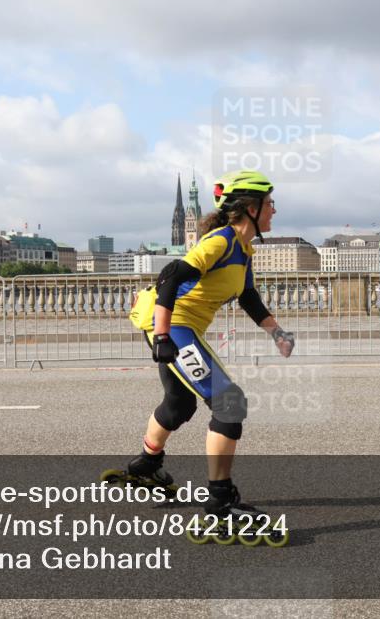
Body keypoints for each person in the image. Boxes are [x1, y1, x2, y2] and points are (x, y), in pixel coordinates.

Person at [124, 169, 294, 523]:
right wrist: (163, 336)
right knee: (230, 404)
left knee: (179, 402)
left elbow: (248, 297)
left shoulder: (243, 249)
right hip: (174, 325)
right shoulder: (220, 242)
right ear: (250, 208)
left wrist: (276, 332)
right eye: (269, 203)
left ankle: (146, 464)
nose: (274, 209)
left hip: (180, 326)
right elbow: (170, 276)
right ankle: (220, 503)